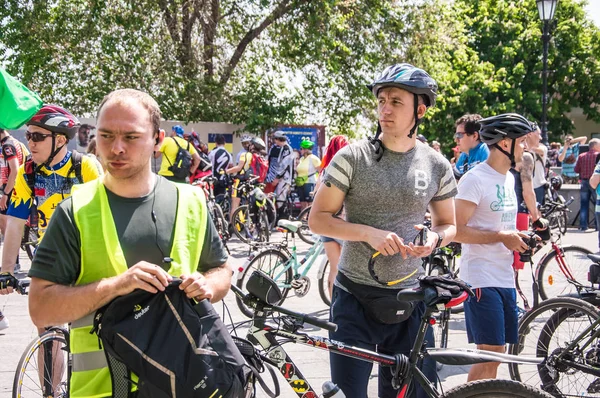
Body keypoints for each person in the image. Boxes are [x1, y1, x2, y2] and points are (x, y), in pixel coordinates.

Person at [26, 89, 231, 398]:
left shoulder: (191, 202)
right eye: (106, 136)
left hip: (183, 386)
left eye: (131, 137)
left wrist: (208, 286)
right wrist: (116, 286)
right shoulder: (75, 210)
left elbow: (222, 270)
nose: (116, 148)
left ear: (157, 139)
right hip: (101, 391)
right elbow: (41, 309)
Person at [309, 63, 457, 398]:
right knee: (348, 394)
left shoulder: (436, 164)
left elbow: (450, 225)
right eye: (381, 101)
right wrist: (367, 233)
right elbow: (318, 219)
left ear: (420, 109)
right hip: (354, 298)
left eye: (395, 102)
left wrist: (434, 239)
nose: (385, 109)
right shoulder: (352, 158)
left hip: (410, 300)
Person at [0, 105, 103, 328]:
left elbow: (106, 219)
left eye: (38, 136)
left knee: (89, 329)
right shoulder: (28, 172)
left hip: (85, 255)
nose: (31, 143)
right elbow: (15, 224)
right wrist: (6, 270)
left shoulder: (85, 167)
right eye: (28, 135)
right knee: (47, 329)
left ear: (60, 140)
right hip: (47, 254)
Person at [454, 113, 538, 382]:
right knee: (489, 354)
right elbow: (457, 231)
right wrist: (502, 236)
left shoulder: (509, 178)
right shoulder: (474, 179)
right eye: (522, 141)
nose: (526, 147)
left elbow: (501, 226)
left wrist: (520, 238)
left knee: (497, 355)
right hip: (480, 278)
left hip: (504, 276)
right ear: (504, 143)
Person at [315, 135, 349, 298]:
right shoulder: (345, 169)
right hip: (342, 224)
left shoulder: (323, 171)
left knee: (334, 268)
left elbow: (315, 195)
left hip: (325, 225)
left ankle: (332, 309)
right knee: (344, 270)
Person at [510, 128, 548, 271]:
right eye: (523, 140)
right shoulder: (525, 158)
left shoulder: (498, 157)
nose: (540, 137)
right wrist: (536, 217)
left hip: (499, 209)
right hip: (518, 210)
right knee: (517, 258)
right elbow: (528, 192)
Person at [226, 137, 266, 220]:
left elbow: (239, 167)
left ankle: (231, 225)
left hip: (241, 181)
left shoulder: (245, 154)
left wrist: (226, 171)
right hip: (254, 182)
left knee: (235, 205)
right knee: (248, 202)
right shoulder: (260, 157)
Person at [574, 138, 600, 231]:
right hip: (595, 181)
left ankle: (583, 226)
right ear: (595, 146)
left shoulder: (581, 156)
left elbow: (576, 170)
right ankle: (597, 226)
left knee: (584, 204)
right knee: (597, 204)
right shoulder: (598, 156)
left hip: (584, 182)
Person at [453, 114, 488, 178]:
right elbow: (455, 183)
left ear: (474, 136)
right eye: (456, 135)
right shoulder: (463, 156)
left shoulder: (485, 151)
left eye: (459, 135)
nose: (456, 140)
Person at [267, 131, 295, 214]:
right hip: (283, 178)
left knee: (280, 200)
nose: (275, 141)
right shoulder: (284, 148)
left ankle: (282, 220)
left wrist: (277, 178)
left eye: (275, 139)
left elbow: (284, 165)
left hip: (284, 178)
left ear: (278, 139)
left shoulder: (286, 149)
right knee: (278, 199)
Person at [526, 124, 548, 205]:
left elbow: (541, 151)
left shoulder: (542, 148)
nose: (540, 138)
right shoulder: (522, 148)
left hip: (538, 186)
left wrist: (527, 147)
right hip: (525, 186)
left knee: (537, 212)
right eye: (538, 134)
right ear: (530, 134)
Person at [295, 139, 321, 210]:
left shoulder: (314, 158)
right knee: (302, 203)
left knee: (310, 203)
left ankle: (310, 219)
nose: (300, 150)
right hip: (300, 183)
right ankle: (303, 218)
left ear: (306, 150)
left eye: (301, 148)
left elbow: (321, 171)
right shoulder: (301, 159)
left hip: (310, 182)